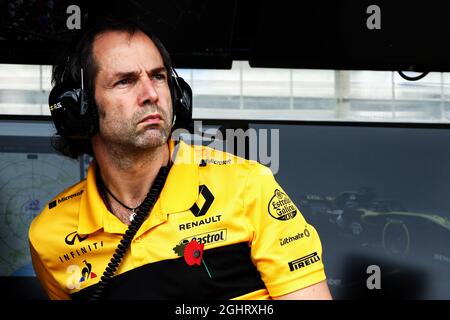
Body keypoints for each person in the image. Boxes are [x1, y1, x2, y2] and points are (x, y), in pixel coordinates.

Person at [28, 17, 332, 300]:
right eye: (125, 81)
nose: (151, 94)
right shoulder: (50, 235)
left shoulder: (246, 187)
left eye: (158, 77)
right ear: (78, 108)